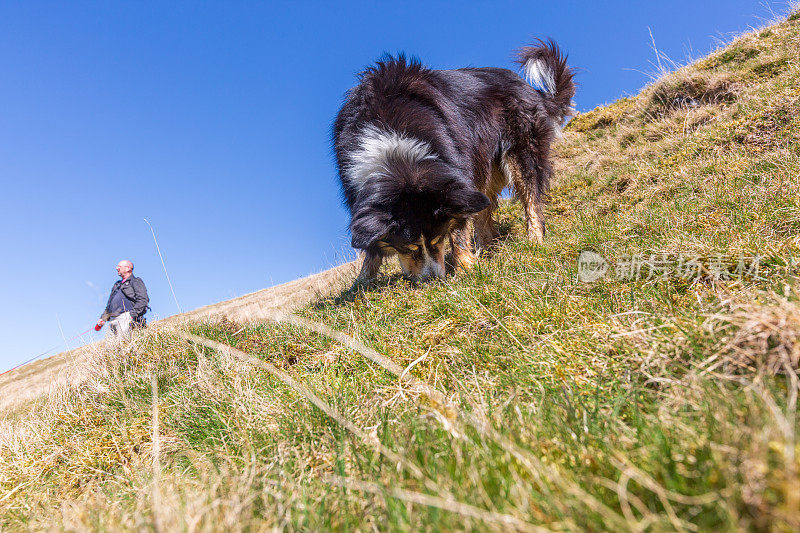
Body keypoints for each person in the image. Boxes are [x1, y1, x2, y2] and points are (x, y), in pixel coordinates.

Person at [97, 260, 149, 339]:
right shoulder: (117, 284)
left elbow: (143, 300)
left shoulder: (136, 281)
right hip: (112, 319)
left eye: (119, 266)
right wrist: (103, 318)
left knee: (123, 343)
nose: (116, 268)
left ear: (128, 268)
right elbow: (109, 304)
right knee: (110, 348)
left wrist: (131, 315)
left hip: (126, 317)